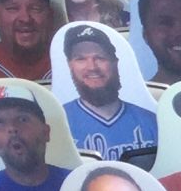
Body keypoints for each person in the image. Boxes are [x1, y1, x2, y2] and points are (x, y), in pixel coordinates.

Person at [58, 25, 155, 157]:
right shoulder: (58, 123)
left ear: (115, 63)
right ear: (70, 65)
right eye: (81, 59)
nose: (92, 67)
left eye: (100, 57)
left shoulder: (151, 121)